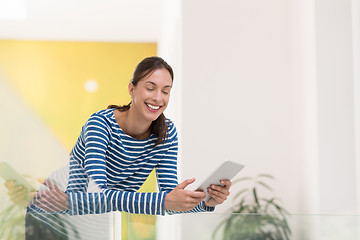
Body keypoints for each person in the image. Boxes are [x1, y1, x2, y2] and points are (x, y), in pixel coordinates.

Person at [6, 56, 232, 239]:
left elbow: (169, 202)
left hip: (93, 222)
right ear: (132, 89)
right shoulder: (100, 125)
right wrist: (163, 201)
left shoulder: (166, 133)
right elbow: (98, 195)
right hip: (52, 215)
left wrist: (205, 202)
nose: (158, 97)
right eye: (150, 87)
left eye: (165, 90)